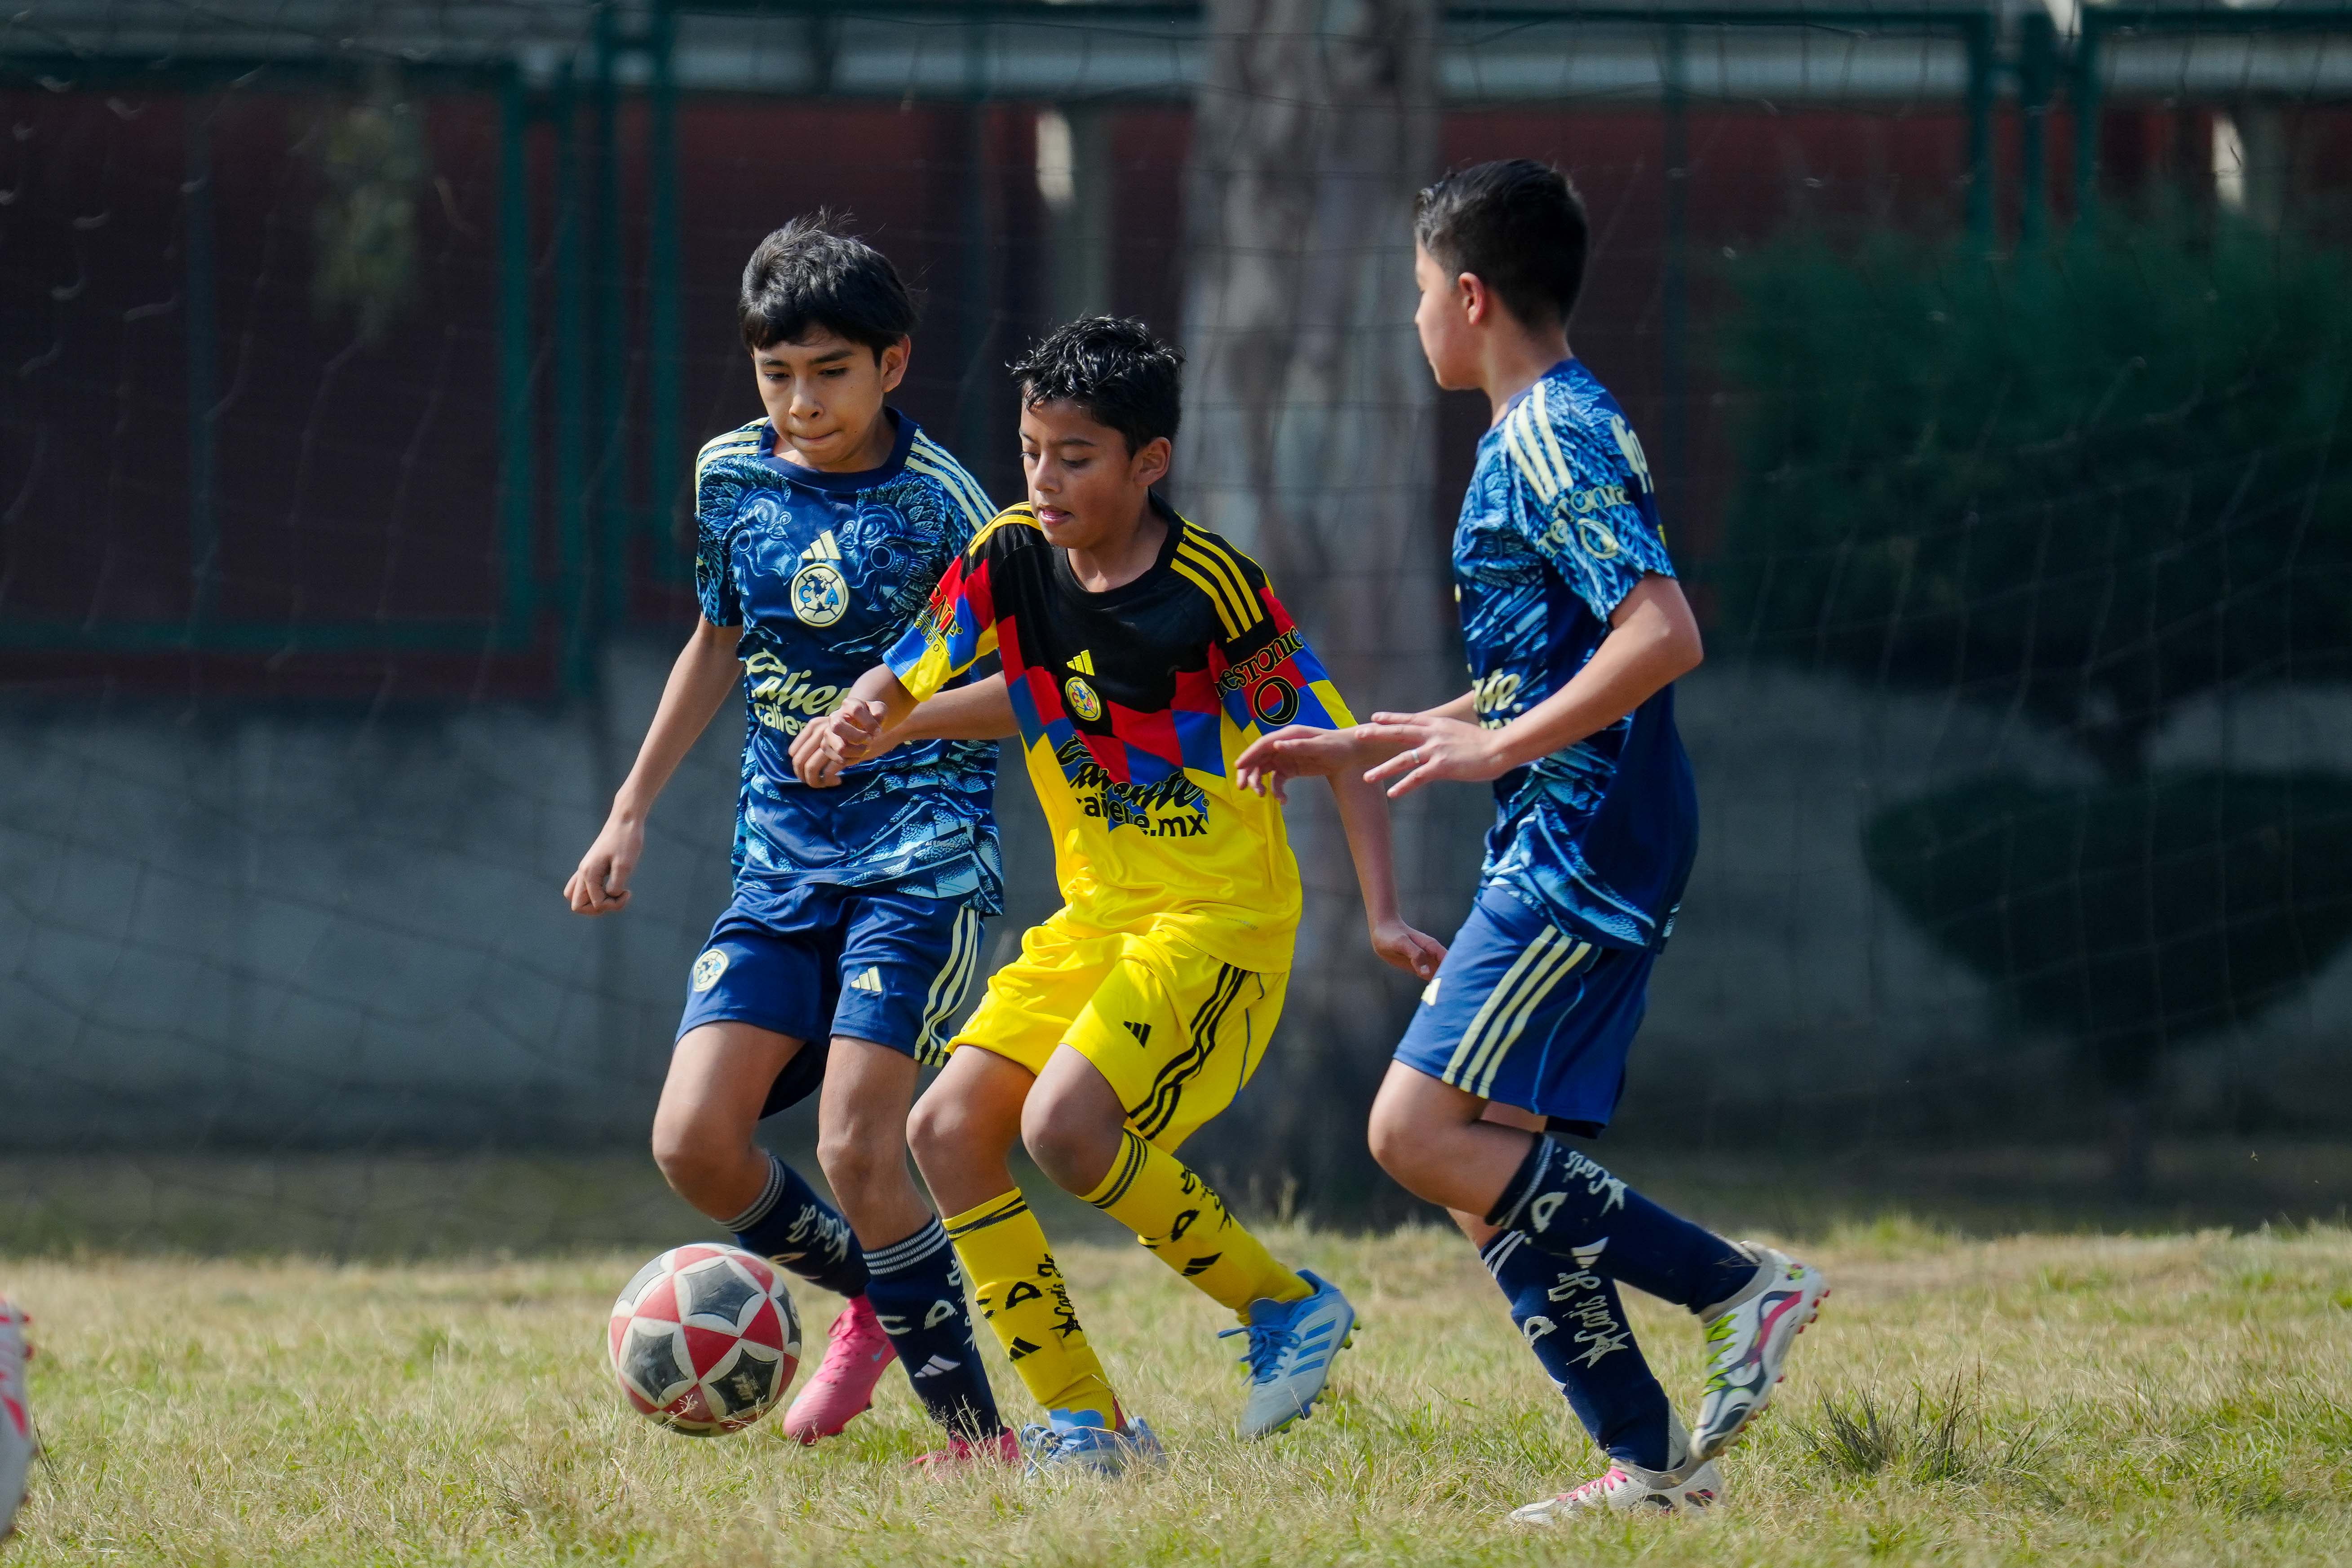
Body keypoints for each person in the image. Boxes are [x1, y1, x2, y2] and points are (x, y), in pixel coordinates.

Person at [1237, 159, 1829, 1522]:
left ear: (1467, 295)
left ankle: (1738, 1286)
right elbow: (1545, 667)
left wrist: (1500, 751)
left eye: (1414, 293)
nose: (1411, 320)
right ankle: (1654, 1466)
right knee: (1482, 1168)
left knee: (1411, 1130)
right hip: (1577, 827)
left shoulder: (1551, 433)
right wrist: (1384, 740)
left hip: (1584, 838)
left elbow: (1660, 633)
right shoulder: (1544, 426)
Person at [800, 317, 1444, 1476]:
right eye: (1030, 450)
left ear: (1150, 461)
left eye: (1075, 456)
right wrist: (865, 720)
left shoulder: (1214, 593)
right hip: (1096, 917)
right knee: (945, 1131)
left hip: (1218, 919)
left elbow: (1339, 746)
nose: (1044, 479)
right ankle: (1083, 1426)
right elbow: (942, 672)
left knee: (1062, 1125)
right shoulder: (1008, 556)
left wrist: (1384, 915)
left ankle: (1284, 1304)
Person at [564, 214, 1019, 1464]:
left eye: (830, 372)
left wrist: (886, 720)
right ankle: (883, 1286)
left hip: (919, 863)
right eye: (777, 374)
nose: (802, 402)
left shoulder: (950, 507)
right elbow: (717, 638)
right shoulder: (730, 474)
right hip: (779, 863)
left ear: (892, 364)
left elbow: (1032, 689)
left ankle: (979, 1444)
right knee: (694, 1143)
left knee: (858, 1145)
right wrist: (629, 809)